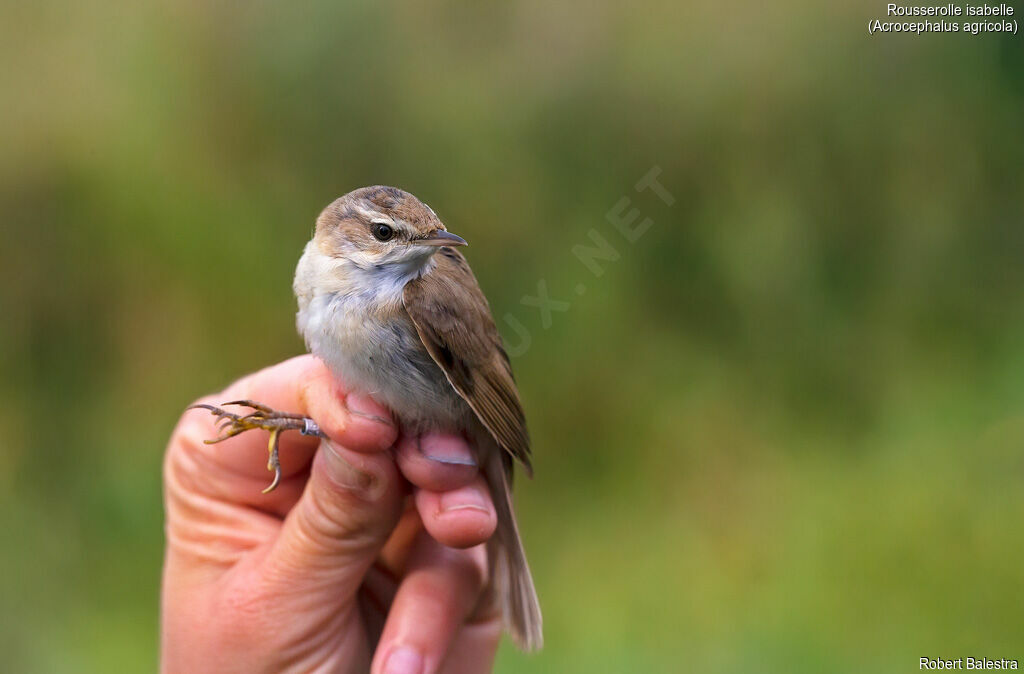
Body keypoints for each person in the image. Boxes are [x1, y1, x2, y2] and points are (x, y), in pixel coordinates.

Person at [162, 355, 503, 673]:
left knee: (366, 432)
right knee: (361, 428)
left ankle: (289, 423)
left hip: (429, 430)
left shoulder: (418, 296)